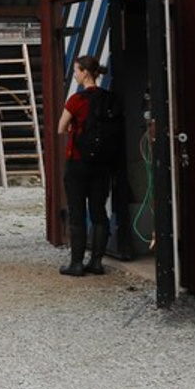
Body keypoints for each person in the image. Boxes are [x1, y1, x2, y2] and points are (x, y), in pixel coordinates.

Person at [57, 55, 112, 277]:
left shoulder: (76, 100)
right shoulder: (109, 99)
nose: (76, 74)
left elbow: (61, 127)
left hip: (78, 162)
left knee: (77, 212)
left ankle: (77, 264)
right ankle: (97, 262)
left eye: (78, 71)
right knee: (99, 212)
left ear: (85, 73)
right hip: (102, 164)